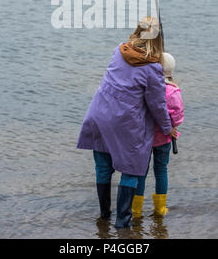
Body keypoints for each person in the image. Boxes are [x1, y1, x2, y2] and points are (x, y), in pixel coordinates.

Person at [77, 16, 177, 228]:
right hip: (124, 123)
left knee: (103, 168)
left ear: (137, 32)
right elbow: (157, 106)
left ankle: (104, 216)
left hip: (99, 114)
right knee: (132, 169)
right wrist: (168, 128)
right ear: (157, 41)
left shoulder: (118, 50)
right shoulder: (153, 69)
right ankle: (122, 223)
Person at [132, 52, 184, 218]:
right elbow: (178, 115)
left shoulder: (146, 87)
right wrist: (173, 125)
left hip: (144, 137)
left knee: (141, 172)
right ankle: (160, 209)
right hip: (164, 138)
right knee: (161, 170)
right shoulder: (173, 91)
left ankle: (136, 210)